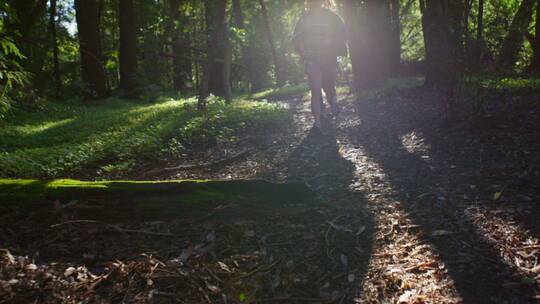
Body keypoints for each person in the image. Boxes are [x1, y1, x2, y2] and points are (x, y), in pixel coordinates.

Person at [293, 0, 347, 131]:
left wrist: (334, 44)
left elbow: (343, 34)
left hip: (329, 58)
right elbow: (296, 38)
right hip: (312, 59)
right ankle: (317, 123)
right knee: (316, 91)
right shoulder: (304, 19)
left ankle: (332, 102)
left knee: (329, 87)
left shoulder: (332, 17)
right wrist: (304, 52)